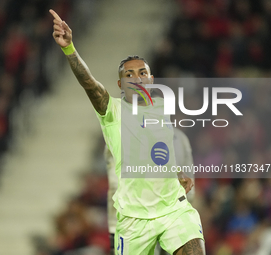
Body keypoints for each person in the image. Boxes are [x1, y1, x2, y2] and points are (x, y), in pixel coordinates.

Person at [50, 9, 205, 255]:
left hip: (174, 209)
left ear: (151, 80)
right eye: (129, 74)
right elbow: (88, 82)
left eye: (142, 72)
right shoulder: (112, 110)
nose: (136, 78)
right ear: (120, 84)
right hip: (133, 218)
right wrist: (69, 48)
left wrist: (176, 174)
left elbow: (158, 149)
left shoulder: (163, 109)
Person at [105, 127, 195, 255]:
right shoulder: (121, 136)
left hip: (160, 216)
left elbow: (190, 186)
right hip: (143, 218)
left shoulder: (180, 138)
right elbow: (116, 187)